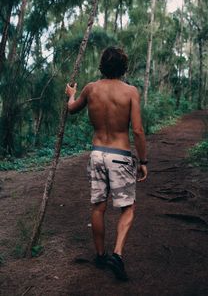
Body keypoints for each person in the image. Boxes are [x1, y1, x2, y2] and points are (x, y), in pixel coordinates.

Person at [65, 46, 147, 281]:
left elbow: (71, 109)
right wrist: (143, 161)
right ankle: (117, 255)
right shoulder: (131, 91)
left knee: (98, 207)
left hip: (97, 153)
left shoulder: (91, 89)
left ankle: (100, 255)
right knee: (127, 208)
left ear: (102, 65)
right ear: (124, 67)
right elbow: (138, 130)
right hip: (120, 154)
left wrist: (71, 93)